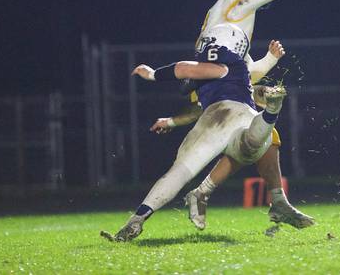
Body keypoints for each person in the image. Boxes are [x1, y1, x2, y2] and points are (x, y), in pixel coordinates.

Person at [102, 23, 286, 243]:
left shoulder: (210, 62)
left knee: (178, 173)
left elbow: (186, 73)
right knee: (252, 142)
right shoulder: (234, 63)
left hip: (210, 122)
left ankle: (137, 219)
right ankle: (272, 112)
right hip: (237, 114)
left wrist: (153, 74)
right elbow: (186, 69)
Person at [151, 39, 315, 230]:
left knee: (269, 138)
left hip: (239, 118)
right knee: (248, 145)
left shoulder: (235, 59)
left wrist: (268, 81)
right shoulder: (207, 67)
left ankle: (278, 201)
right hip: (219, 125)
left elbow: (250, 87)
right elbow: (198, 108)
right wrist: (171, 121)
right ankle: (203, 193)